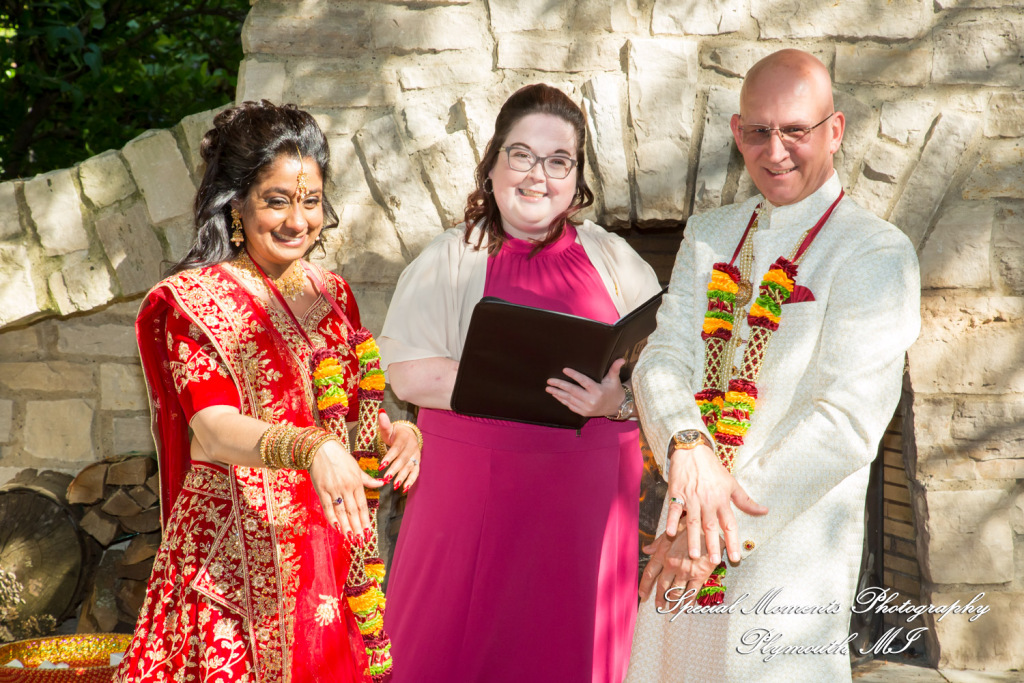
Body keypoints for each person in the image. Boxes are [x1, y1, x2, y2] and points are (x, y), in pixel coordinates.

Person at [626, 49, 921, 682]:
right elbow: (662, 358)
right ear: (737, 134)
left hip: (785, 569)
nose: (776, 149)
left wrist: (707, 532)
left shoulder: (876, 252)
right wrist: (686, 443)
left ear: (835, 131)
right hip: (683, 553)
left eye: (796, 130)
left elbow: (845, 424)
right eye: (759, 131)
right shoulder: (709, 233)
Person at [115, 100, 421, 683]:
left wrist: (398, 434)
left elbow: (351, 416)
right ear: (236, 203)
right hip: (230, 560)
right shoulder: (195, 301)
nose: (297, 221)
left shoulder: (334, 294)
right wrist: (310, 448)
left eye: (310, 202)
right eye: (276, 200)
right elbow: (212, 427)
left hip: (325, 553)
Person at [378, 83, 661, 683]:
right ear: (493, 162)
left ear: (577, 176)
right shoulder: (449, 258)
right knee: (450, 646)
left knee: (569, 650)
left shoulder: (614, 259)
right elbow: (408, 371)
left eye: (558, 161)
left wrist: (620, 400)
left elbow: (662, 361)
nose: (538, 175)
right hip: (474, 496)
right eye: (521, 155)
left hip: (588, 500)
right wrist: (526, 381)